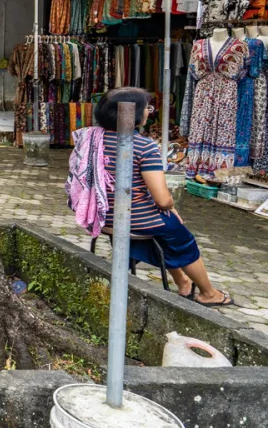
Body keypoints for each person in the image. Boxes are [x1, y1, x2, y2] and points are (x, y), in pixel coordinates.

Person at [95, 88, 232, 307]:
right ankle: (209, 293)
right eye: (147, 108)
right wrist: (172, 207)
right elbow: (162, 199)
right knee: (180, 235)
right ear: (134, 113)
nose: (149, 112)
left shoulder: (92, 139)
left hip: (101, 214)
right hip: (132, 218)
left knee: (165, 228)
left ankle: (183, 282)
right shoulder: (143, 146)